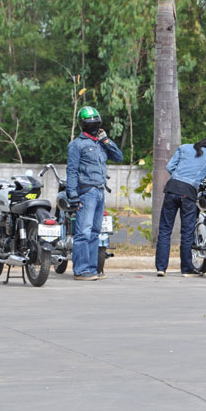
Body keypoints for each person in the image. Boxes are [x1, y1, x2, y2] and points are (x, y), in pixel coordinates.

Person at [155, 137, 206, 277]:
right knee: (186, 232)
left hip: (172, 188)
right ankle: (186, 269)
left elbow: (169, 167)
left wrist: (179, 176)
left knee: (165, 229)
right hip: (188, 193)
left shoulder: (184, 147)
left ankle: (161, 268)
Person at [66, 106, 124, 281]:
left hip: (99, 191)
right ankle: (81, 270)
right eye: (90, 123)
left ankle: (92, 269)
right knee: (83, 232)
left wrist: (106, 140)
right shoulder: (76, 145)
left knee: (95, 232)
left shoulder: (100, 144)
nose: (93, 125)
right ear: (82, 124)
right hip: (86, 192)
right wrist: (73, 195)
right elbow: (72, 171)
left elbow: (119, 157)